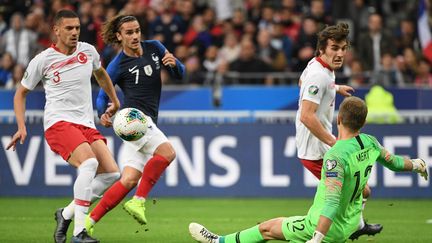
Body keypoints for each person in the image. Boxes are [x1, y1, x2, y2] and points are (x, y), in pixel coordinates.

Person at [189, 96, 429, 243]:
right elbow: (396, 163)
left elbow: (332, 202)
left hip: (325, 228)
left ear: (338, 120)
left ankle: (218, 241)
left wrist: (316, 238)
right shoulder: (370, 143)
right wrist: (417, 164)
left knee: (266, 229)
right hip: (348, 223)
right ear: (363, 123)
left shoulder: (334, 156)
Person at [5, 10, 121, 243]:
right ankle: (79, 232)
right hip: (59, 122)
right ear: (56, 30)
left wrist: (115, 100)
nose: (75, 32)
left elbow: (101, 75)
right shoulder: (43, 59)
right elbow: (21, 93)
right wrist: (21, 125)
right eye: (69, 28)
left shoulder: (88, 51)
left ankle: (65, 214)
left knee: (111, 174)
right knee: (89, 164)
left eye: (77, 28)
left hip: (86, 123)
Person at [85, 15, 185, 235]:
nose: (135, 36)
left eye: (137, 31)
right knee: (168, 153)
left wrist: (175, 65)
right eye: (129, 33)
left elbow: (181, 73)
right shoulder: (118, 64)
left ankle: (88, 223)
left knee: (129, 179)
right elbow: (102, 95)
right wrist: (103, 114)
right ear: (119, 36)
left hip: (144, 123)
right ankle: (139, 201)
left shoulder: (155, 48)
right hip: (133, 120)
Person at [295, 22, 382, 239]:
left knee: (360, 190)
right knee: (354, 193)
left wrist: (334, 88)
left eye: (343, 48)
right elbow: (306, 116)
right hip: (316, 151)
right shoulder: (320, 75)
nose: (340, 53)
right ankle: (318, 234)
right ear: (322, 49)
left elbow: (301, 81)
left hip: (322, 146)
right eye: (334, 48)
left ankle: (356, 225)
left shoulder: (321, 69)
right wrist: (335, 143)